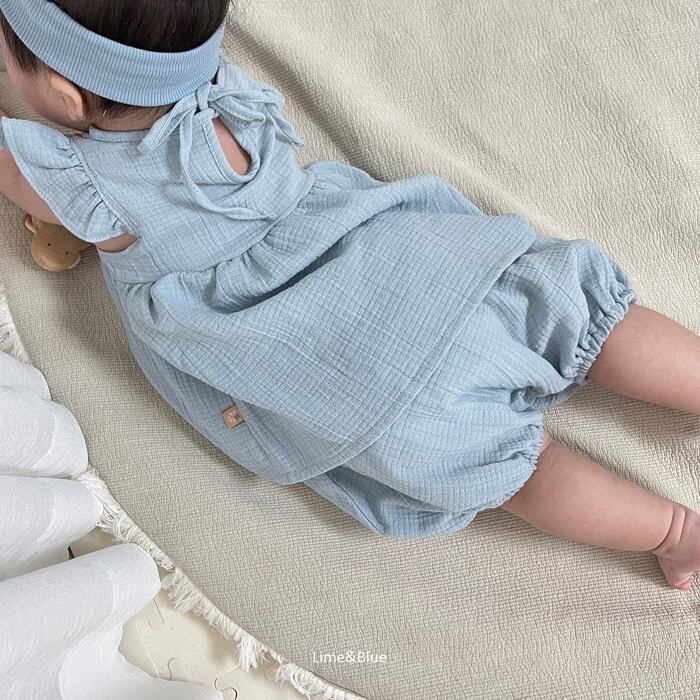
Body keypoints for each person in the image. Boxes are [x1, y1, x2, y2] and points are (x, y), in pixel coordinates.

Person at [1, 0, 698, 591]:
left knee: (525, 471)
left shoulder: (75, 181)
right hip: (414, 269)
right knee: (582, 318)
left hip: (348, 372)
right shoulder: (224, 89)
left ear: (64, 94)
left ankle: (674, 531)